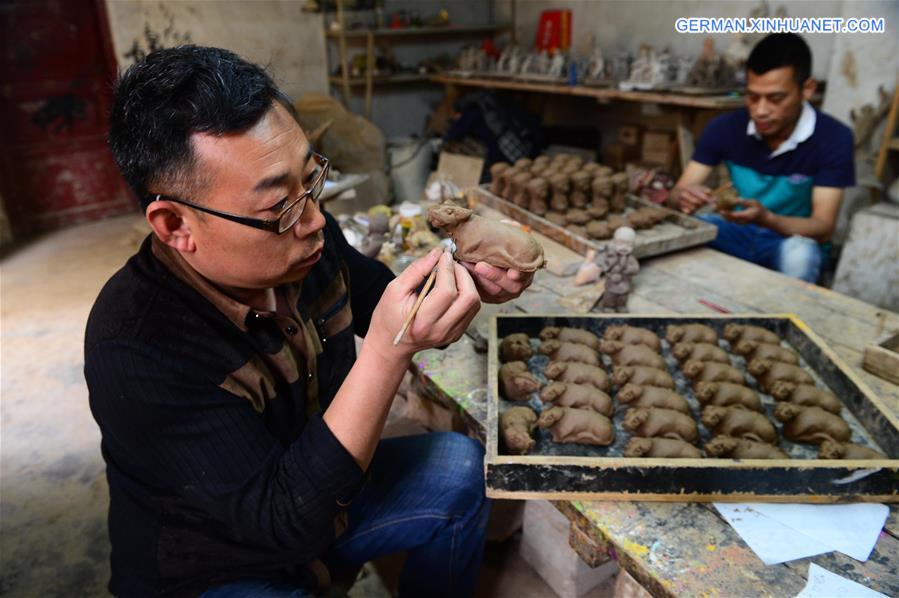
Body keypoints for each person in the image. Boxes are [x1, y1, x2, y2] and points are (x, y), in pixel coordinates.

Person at [85, 45, 534, 597]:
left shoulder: (311, 242)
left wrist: (468, 275)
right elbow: (282, 525)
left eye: (310, 177)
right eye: (279, 206)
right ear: (176, 223)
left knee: (459, 468)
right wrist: (388, 354)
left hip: (324, 487)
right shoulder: (134, 346)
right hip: (222, 559)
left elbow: (385, 298)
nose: (316, 218)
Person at [670, 33, 855, 283]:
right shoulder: (724, 128)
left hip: (788, 239)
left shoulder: (834, 137)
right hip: (737, 231)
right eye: (752, 96)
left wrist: (768, 219)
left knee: (800, 256)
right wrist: (685, 196)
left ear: (807, 89)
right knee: (688, 231)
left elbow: (823, 227)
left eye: (776, 98)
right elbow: (676, 194)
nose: (761, 111)